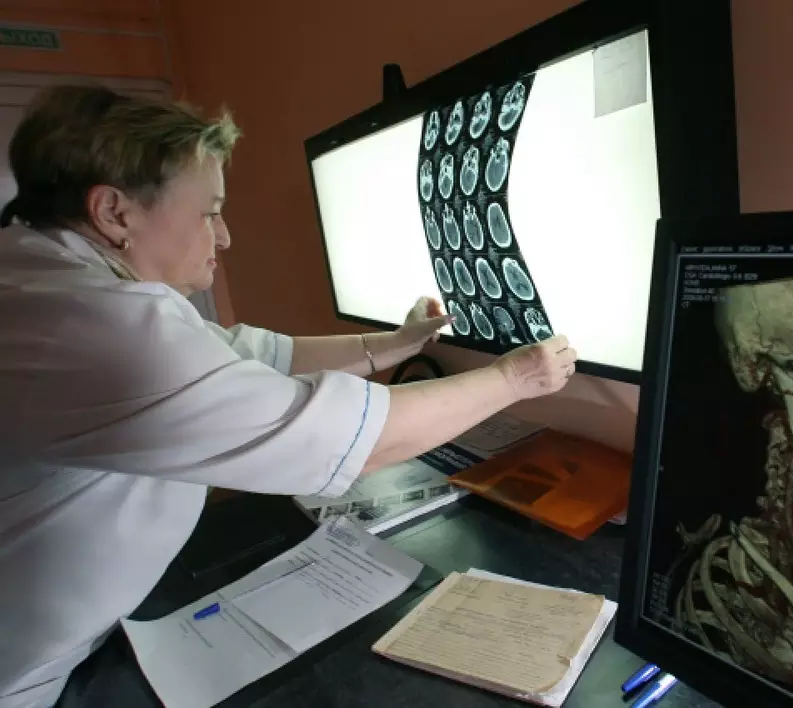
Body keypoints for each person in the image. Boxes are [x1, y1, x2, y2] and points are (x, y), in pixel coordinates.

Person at [0, 85, 577, 708]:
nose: (224, 237)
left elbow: (240, 356)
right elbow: (356, 440)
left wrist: (397, 343)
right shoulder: (98, 330)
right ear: (115, 212)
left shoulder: (46, 280)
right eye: (209, 212)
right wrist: (514, 379)